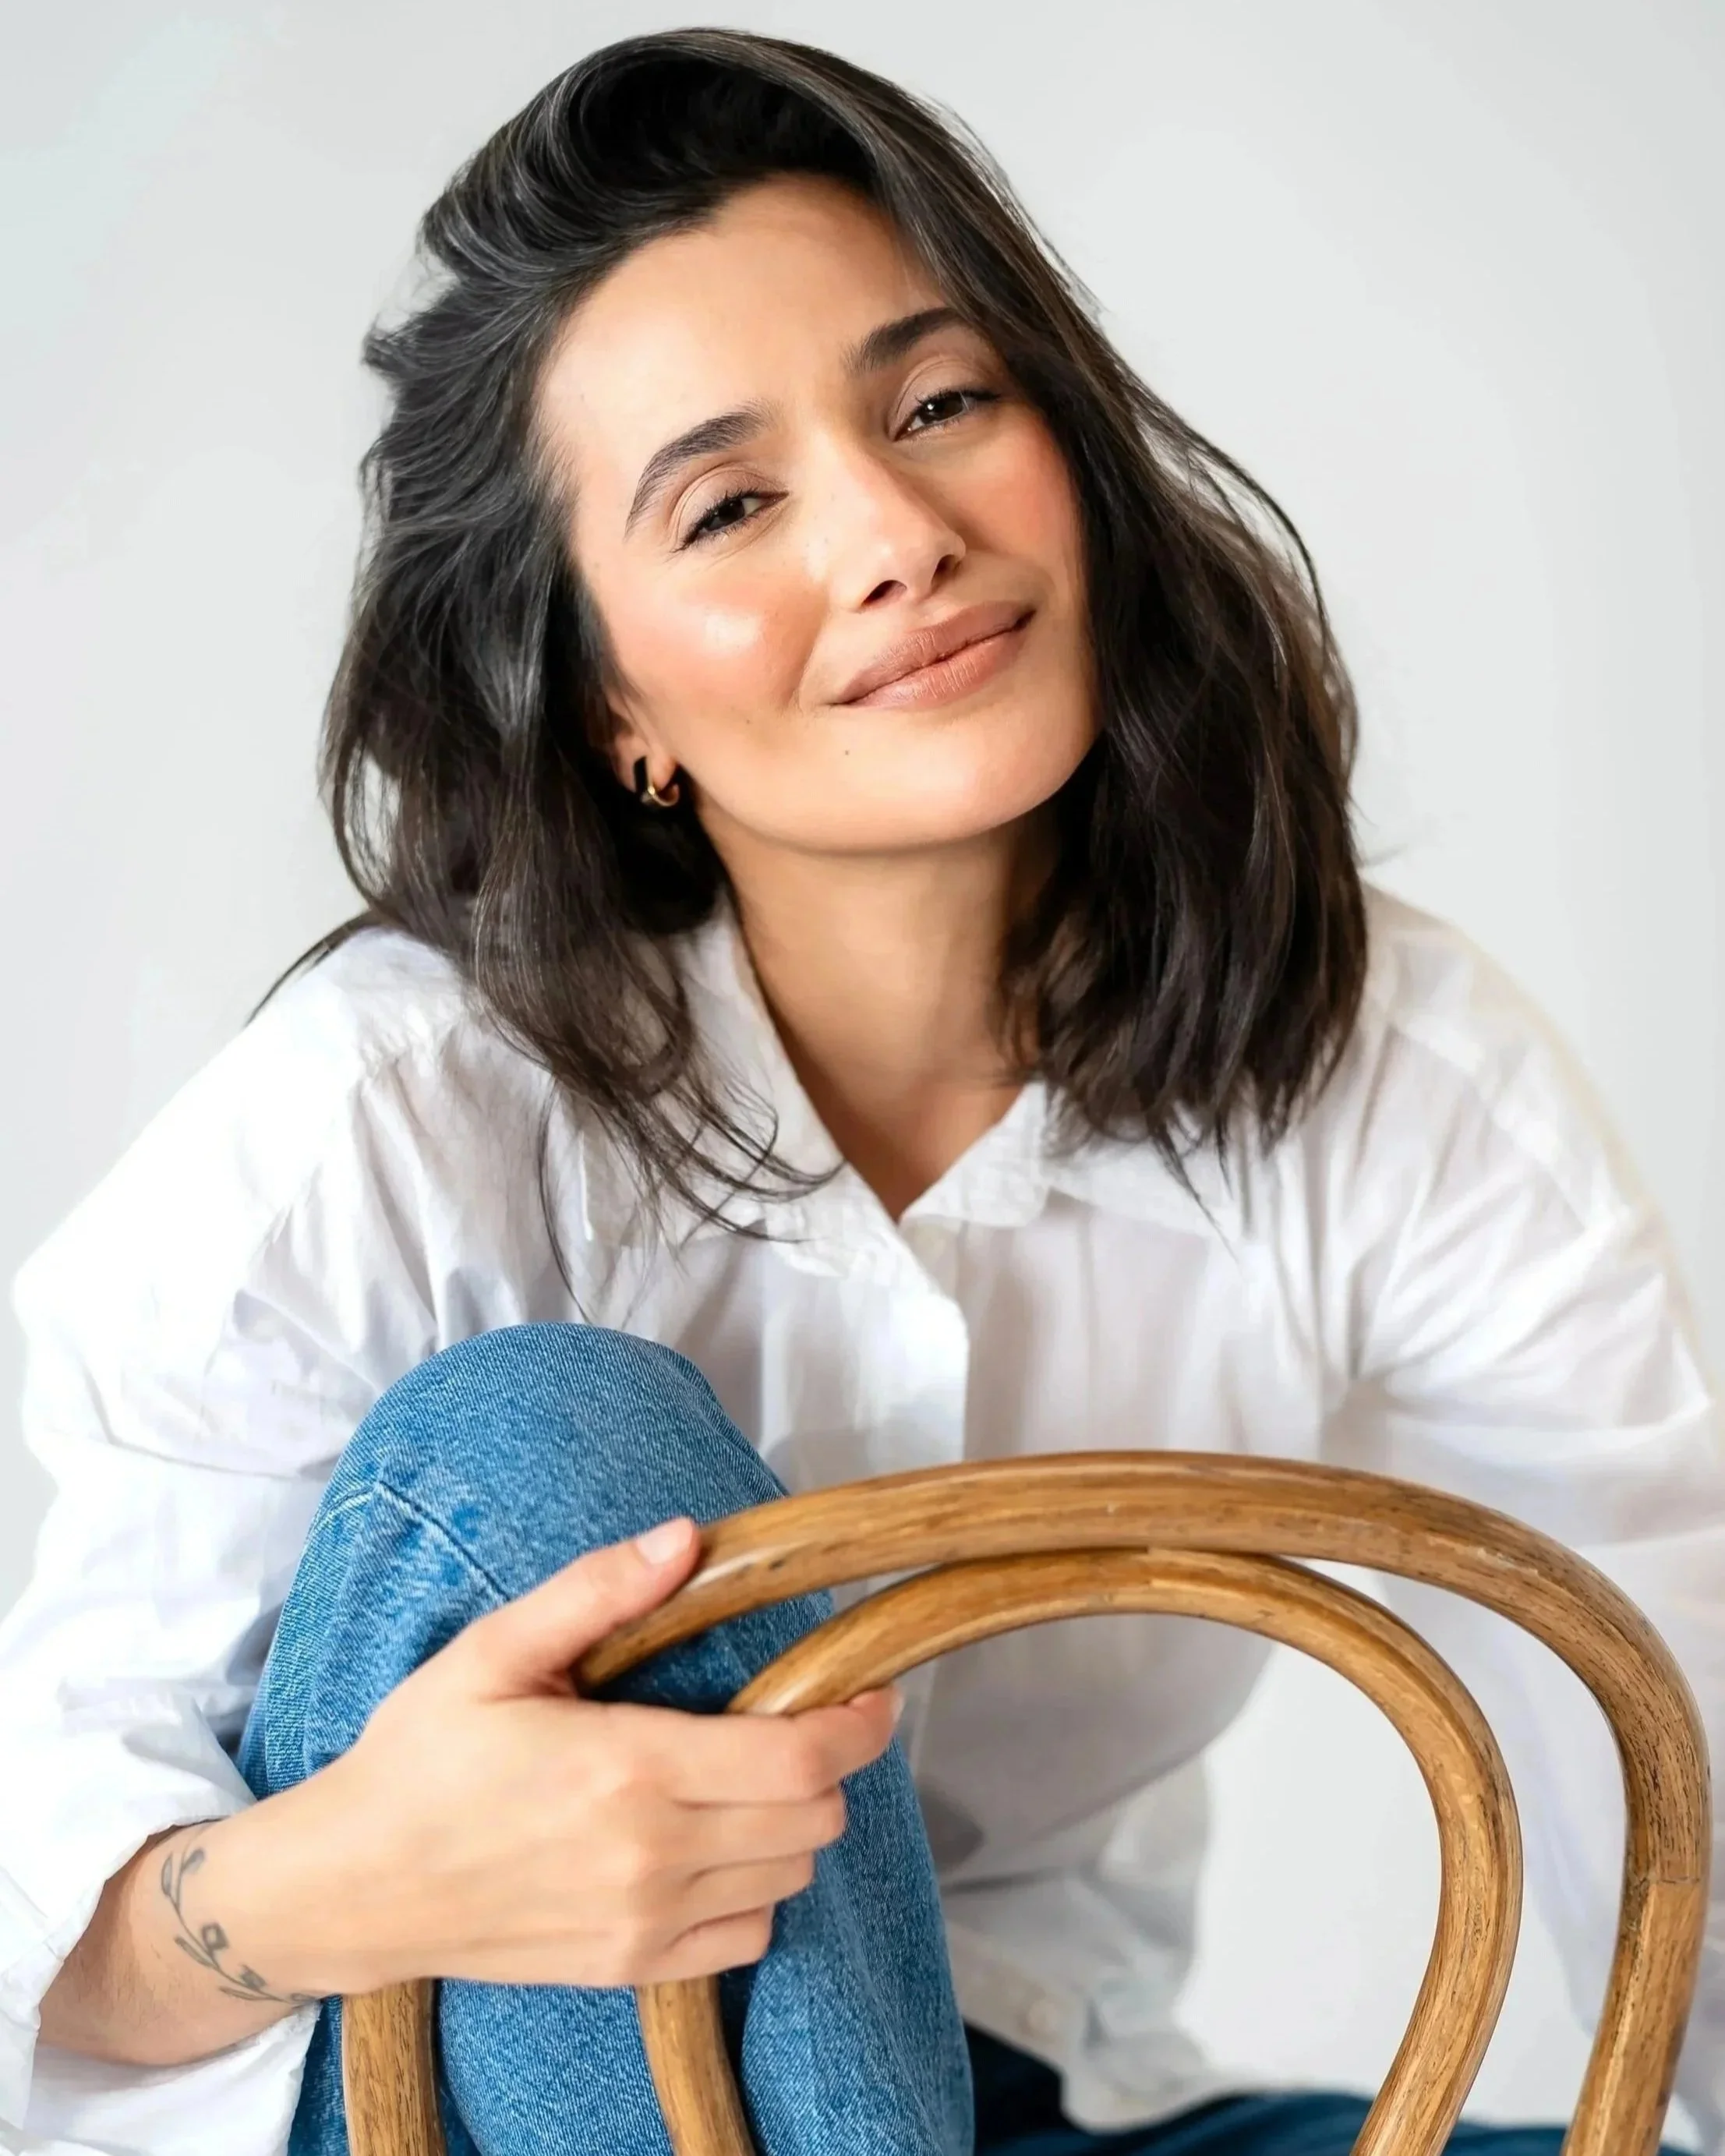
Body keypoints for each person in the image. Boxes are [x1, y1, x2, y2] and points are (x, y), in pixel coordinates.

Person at [0, 25, 1718, 2156]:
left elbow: (1672, 1717)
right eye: (732, 503)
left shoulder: (1382, 1067)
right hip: (486, 2088)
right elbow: (38, 1912)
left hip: (1045, 2093)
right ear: (610, 699)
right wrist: (356, 1876)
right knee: (557, 1439)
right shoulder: (379, 1115)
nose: (895, 531)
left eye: (936, 404)